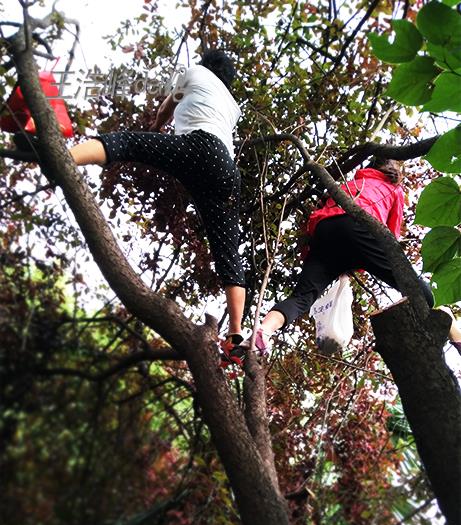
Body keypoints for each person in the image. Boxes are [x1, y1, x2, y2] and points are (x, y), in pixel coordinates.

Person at [68, 50, 246, 344]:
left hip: (199, 147)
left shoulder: (195, 73)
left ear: (207, 65)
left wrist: (155, 127)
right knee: (227, 247)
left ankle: (64, 157)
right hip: (226, 171)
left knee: (127, 142)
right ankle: (236, 332)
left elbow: (167, 106)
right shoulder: (233, 105)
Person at [231, 157, 461, 358]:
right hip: (357, 229)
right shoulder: (393, 188)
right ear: (393, 170)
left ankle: (262, 333)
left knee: (302, 297)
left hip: (324, 234)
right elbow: (389, 237)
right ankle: (457, 335)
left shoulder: (350, 184)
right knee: (419, 291)